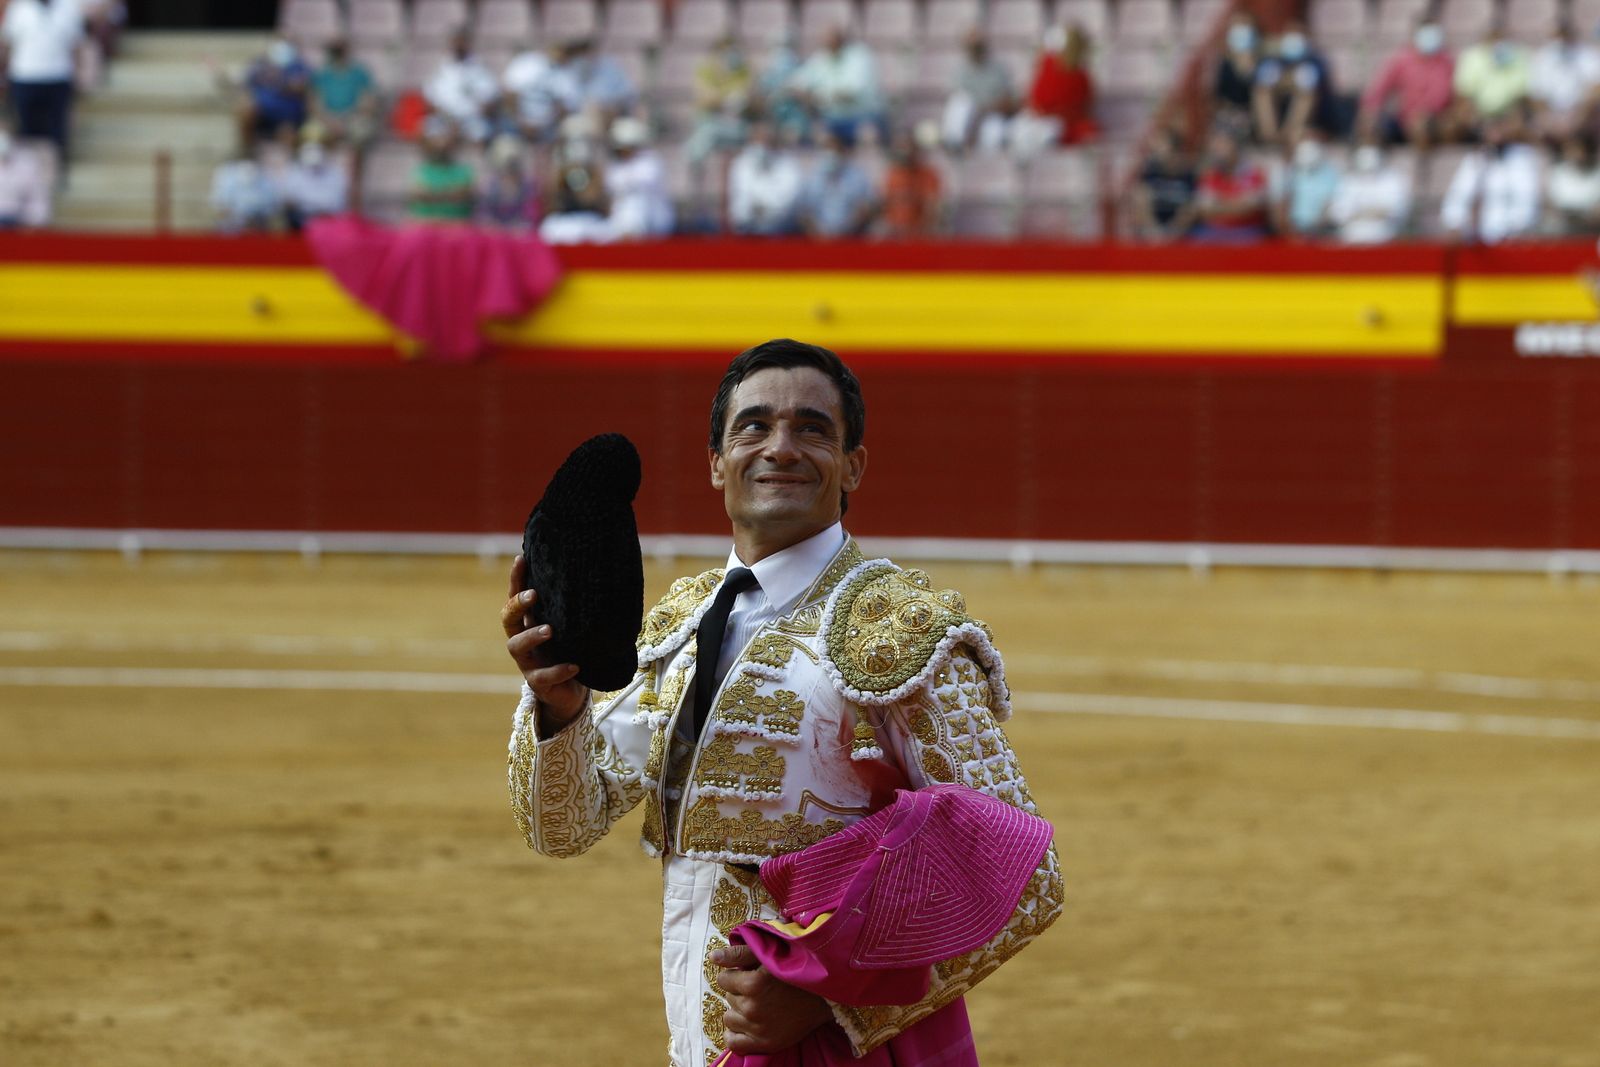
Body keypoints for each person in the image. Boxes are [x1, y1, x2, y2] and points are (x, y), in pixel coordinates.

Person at [502, 339, 1063, 1067]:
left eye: (812, 428)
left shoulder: (899, 628)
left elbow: (1027, 878)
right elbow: (564, 826)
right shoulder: (678, 623)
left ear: (852, 465)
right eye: (754, 426)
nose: (780, 447)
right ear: (717, 461)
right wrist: (560, 710)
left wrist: (833, 1000)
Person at [2, 0, 84, 168]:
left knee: (56, 130)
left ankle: (56, 170)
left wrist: (77, 74)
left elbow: (76, 45)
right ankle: (29, 170)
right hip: (24, 76)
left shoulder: (69, 8)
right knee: (26, 129)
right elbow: (7, 44)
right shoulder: (19, 8)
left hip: (58, 76)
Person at [1358, 18, 1458, 149]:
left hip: (1437, 123)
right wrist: (1371, 112)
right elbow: (1378, 91)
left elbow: (1457, 96)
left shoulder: (1447, 62)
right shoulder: (1401, 60)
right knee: (1371, 126)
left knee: (1430, 126)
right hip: (1404, 122)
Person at [1439, 117, 1541, 244]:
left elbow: (1526, 203)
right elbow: (1457, 197)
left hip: (1510, 240)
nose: (1496, 133)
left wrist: (1513, 229)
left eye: (1500, 126)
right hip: (1475, 242)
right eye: (1492, 127)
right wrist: (1456, 224)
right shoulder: (1474, 159)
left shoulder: (1521, 158)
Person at [789, 26, 885, 147]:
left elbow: (851, 93)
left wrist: (817, 97)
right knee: (801, 128)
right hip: (830, 118)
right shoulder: (821, 57)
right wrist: (803, 94)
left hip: (860, 116)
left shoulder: (859, 56)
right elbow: (795, 83)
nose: (826, 41)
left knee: (866, 133)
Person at [1251, 20, 1338, 147]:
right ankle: (1269, 135)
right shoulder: (1274, 58)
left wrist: (1292, 79)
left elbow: (1311, 83)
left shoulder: (1315, 60)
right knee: (1261, 92)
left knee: (1306, 95)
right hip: (1280, 103)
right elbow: (1261, 79)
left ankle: (1288, 134)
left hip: (1315, 115)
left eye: (1298, 35)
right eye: (1290, 35)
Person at [1017, 23, 1097, 155]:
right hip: (1047, 124)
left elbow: (1036, 98)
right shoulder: (1053, 67)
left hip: (1057, 127)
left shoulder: (1079, 75)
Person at [940, 29, 1017, 154]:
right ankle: (954, 144)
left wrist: (985, 111)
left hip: (992, 115)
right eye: (972, 46)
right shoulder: (960, 71)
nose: (975, 49)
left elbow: (1008, 101)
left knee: (994, 132)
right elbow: (961, 102)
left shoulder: (999, 69)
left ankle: (988, 161)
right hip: (971, 117)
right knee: (959, 103)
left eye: (978, 45)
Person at [1452, 17, 1531, 137]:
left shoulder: (1519, 57)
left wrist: (1508, 123)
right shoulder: (1472, 57)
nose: (1498, 42)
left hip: (1508, 116)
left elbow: (1521, 96)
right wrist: (1477, 120)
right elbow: (1464, 95)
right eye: (1494, 37)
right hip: (1478, 117)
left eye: (1501, 37)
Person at [233, 36, 312, 152]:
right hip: (261, 112)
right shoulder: (258, 65)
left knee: (287, 131)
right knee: (245, 108)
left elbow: (301, 85)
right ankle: (248, 151)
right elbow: (242, 85)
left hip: (288, 113)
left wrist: (282, 80)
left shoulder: (298, 65)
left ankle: (286, 158)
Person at [1191, 125, 1269, 241]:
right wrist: (1239, 201)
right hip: (1212, 231)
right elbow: (1204, 210)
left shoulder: (1254, 171)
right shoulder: (1209, 174)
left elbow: (1253, 208)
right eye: (1215, 145)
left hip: (1248, 230)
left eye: (1222, 144)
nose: (1216, 150)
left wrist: (1219, 201)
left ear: (1235, 146)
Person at [602, 114, 673, 239]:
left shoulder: (650, 161)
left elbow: (642, 182)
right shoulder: (616, 166)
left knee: (636, 202)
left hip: (654, 219)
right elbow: (611, 185)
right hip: (622, 220)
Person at [1528, 18, 1600, 141]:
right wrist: (1548, 118)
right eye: (1559, 35)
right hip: (1551, 114)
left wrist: (1578, 117)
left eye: (1565, 34)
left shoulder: (1588, 56)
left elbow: (1596, 89)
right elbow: (1536, 95)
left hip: (1581, 114)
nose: (1562, 40)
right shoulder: (1542, 57)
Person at [795, 129, 876, 238]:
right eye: (827, 149)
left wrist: (847, 230)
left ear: (843, 151)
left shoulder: (857, 176)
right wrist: (817, 234)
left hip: (850, 236)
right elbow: (803, 211)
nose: (830, 154)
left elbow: (867, 207)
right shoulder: (813, 178)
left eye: (835, 149)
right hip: (819, 238)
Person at [727, 120, 803, 236]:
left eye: (767, 140)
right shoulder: (741, 163)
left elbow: (788, 199)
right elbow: (742, 196)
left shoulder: (788, 164)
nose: (763, 145)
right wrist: (756, 208)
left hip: (778, 227)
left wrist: (765, 208)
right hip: (747, 227)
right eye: (759, 139)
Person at [1328, 140, 1412, 244]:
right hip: (1351, 237)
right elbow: (1338, 213)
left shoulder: (1392, 179)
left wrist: (1360, 213)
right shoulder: (1348, 180)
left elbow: (1397, 210)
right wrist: (1373, 212)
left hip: (1385, 236)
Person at [424, 29, 500, 143]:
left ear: (468, 43)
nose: (458, 46)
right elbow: (431, 97)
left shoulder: (479, 68)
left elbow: (489, 97)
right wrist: (448, 118)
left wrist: (476, 113)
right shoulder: (441, 68)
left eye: (461, 42)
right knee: (429, 130)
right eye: (455, 42)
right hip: (446, 119)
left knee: (482, 132)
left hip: (472, 120)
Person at [686, 35, 752, 164]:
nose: (732, 55)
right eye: (728, 51)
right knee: (708, 133)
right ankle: (694, 163)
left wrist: (741, 100)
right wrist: (727, 100)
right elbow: (705, 99)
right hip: (710, 122)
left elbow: (750, 95)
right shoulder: (705, 70)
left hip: (738, 124)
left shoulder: (743, 71)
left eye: (735, 50)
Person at [309, 39, 378, 154]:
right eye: (335, 51)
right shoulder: (322, 75)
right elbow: (315, 105)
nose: (338, 55)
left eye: (340, 51)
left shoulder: (360, 73)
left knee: (361, 131)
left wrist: (346, 120)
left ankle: (355, 163)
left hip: (353, 118)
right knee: (311, 133)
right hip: (327, 119)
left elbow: (368, 103)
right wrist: (330, 121)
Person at [502, 40, 578, 143]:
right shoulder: (526, 63)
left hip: (551, 129)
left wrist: (546, 124)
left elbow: (566, 105)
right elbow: (509, 95)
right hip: (518, 128)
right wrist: (521, 122)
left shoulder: (564, 72)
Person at [1131, 126, 1197, 241]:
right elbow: (1141, 198)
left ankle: (1166, 240)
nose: (1155, 147)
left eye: (1161, 144)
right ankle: (1156, 239)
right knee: (1140, 195)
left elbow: (1192, 204)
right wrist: (1155, 233)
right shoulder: (1150, 170)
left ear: (1174, 150)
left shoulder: (1188, 173)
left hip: (1178, 230)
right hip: (1154, 228)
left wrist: (1170, 234)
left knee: (1192, 206)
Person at [1273, 133, 1341, 239]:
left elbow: (1331, 202)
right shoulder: (1289, 172)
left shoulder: (1330, 173)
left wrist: (1319, 225)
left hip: (1320, 230)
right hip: (1294, 229)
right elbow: (1282, 203)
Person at [408, 116, 476, 222]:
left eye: (444, 137)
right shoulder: (419, 171)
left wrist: (432, 195)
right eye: (434, 138)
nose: (440, 143)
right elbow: (417, 195)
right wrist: (450, 194)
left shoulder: (463, 171)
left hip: (458, 226)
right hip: (425, 226)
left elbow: (463, 195)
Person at [880, 126, 942, 238]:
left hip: (920, 234)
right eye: (901, 146)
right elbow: (885, 206)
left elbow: (933, 209)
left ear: (916, 148)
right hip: (895, 233)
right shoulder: (892, 174)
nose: (905, 151)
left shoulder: (929, 174)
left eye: (908, 146)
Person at [279, 134, 349, 232]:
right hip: (302, 219)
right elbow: (290, 199)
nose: (314, 153)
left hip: (328, 220)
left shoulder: (335, 173)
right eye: (309, 150)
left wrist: (311, 204)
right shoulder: (293, 171)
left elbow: (337, 203)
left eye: (318, 149)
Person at [478, 132, 540, 231]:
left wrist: (515, 228)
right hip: (494, 234)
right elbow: (483, 217)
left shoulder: (527, 185)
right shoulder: (489, 185)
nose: (510, 167)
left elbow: (530, 217)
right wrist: (496, 228)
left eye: (513, 162)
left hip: (519, 234)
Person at [209, 148, 280, 233]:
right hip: (232, 226)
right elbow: (220, 205)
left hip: (258, 226)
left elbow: (271, 207)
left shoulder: (265, 177)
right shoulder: (226, 175)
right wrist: (237, 217)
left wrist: (255, 218)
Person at [1545, 134, 1600, 236]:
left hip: (1592, 228)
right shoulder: (1558, 172)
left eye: (1579, 150)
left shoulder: (1597, 174)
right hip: (1563, 226)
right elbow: (1550, 204)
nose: (1575, 154)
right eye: (1570, 150)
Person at [0, 124, 52, 227]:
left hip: (16, 221)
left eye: (3, 133)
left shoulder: (27, 162)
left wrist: (32, 223)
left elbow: (38, 199)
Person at [1213, 11, 1261, 122]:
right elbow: (1217, 95)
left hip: (1252, 116)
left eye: (1244, 24)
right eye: (1236, 25)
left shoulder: (1262, 61)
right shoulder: (1221, 61)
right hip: (1228, 114)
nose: (1240, 30)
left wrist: (1248, 66)